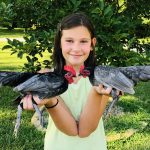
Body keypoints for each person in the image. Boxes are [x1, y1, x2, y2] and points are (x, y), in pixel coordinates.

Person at [22, 12, 114, 150]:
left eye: (83, 41)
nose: (76, 48)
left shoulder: (103, 79)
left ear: (92, 44)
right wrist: (50, 99)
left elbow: (85, 131)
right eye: (69, 41)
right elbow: (70, 130)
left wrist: (97, 91)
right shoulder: (47, 78)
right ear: (60, 43)